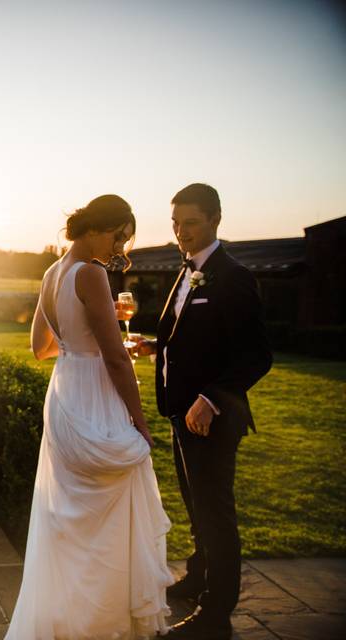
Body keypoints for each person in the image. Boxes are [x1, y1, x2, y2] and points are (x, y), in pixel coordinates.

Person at [4, 195, 172, 640]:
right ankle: (103, 624)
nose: (120, 249)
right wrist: (140, 421)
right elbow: (116, 360)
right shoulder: (92, 273)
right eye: (121, 237)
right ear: (105, 227)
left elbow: (41, 348)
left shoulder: (51, 272)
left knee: (71, 517)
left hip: (64, 397)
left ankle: (69, 619)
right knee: (110, 511)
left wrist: (91, 330)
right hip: (96, 396)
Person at [135, 183, 272, 639]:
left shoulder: (233, 275)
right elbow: (195, 338)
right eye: (175, 224)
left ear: (215, 219)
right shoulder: (189, 269)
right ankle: (197, 578)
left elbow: (255, 356)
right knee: (197, 509)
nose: (181, 232)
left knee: (216, 515)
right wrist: (158, 346)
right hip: (181, 413)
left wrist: (211, 399)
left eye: (190, 223)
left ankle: (215, 614)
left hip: (212, 417)